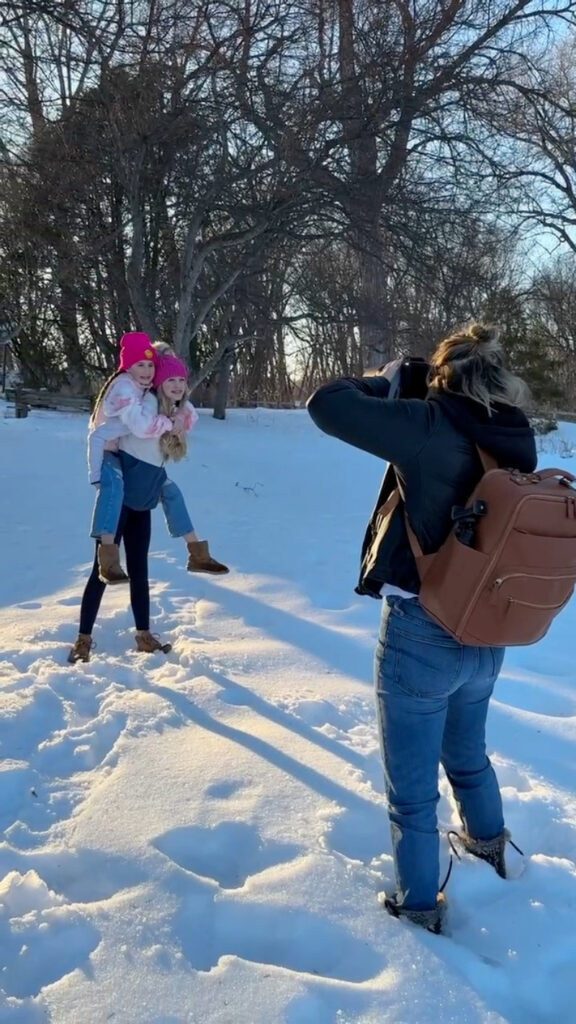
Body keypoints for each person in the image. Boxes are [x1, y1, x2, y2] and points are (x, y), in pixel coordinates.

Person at [307, 323, 537, 934]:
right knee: (468, 756)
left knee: (411, 790)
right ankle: (489, 850)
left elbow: (325, 406)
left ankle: (418, 905)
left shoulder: (429, 424)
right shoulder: (515, 434)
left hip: (422, 633)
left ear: (443, 376)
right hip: (486, 634)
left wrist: (386, 383)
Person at [89, 333, 228, 582]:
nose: (177, 385)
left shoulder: (169, 404)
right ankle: (108, 560)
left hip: (151, 470)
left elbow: (190, 417)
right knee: (115, 496)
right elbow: (142, 427)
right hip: (134, 465)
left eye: (181, 380)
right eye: (170, 379)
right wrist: (169, 422)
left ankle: (198, 554)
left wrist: (178, 415)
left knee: (173, 495)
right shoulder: (147, 402)